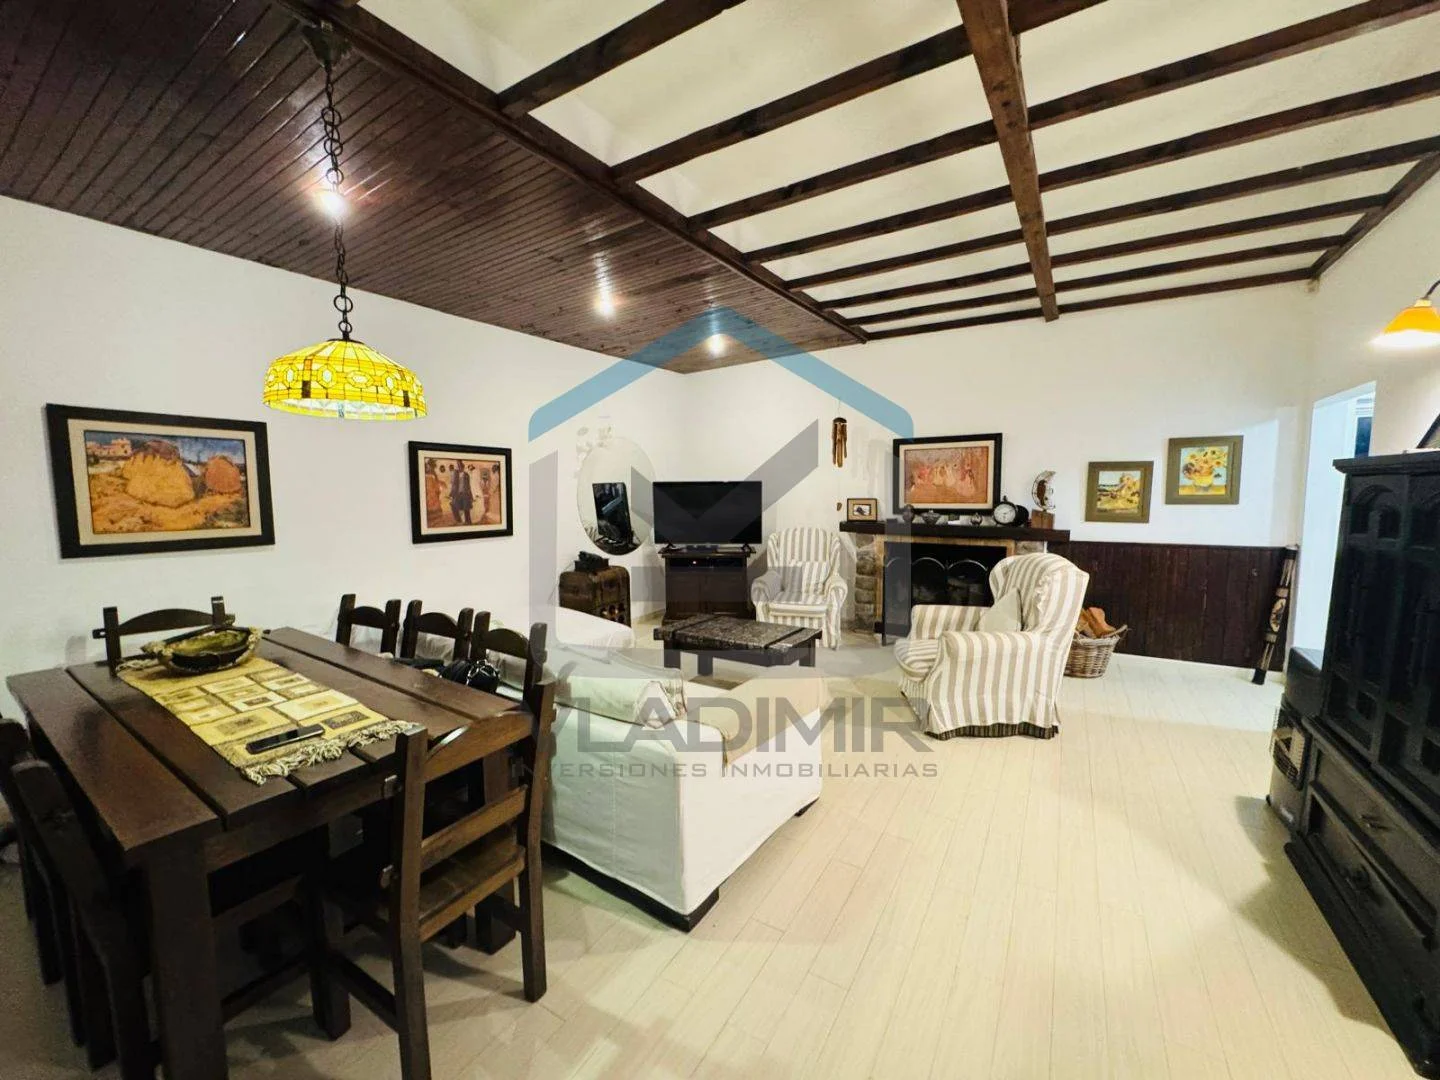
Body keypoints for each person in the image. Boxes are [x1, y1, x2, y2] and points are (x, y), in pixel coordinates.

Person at [449, 460, 474, 525]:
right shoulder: (456, 474)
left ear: (463, 467)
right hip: (457, 493)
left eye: (460, 466)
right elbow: (453, 484)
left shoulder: (466, 475)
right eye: (458, 466)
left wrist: (471, 496)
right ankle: (458, 520)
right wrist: (451, 494)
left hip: (465, 493)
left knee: (466, 508)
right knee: (453, 505)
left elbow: (468, 486)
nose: (459, 468)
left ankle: (468, 521)